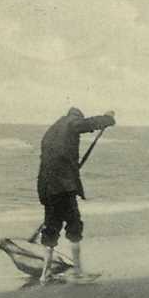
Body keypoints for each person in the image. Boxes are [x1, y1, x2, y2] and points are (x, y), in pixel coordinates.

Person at [37, 107, 116, 283]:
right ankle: (78, 272)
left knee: (51, 228)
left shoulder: (52, 129)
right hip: (63, 187)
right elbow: (87, 124)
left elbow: (53, 159)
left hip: (47, 187)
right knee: (74, 226)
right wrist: (107, 119)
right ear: (76, 116)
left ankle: (45, 274)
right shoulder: (71, 123)